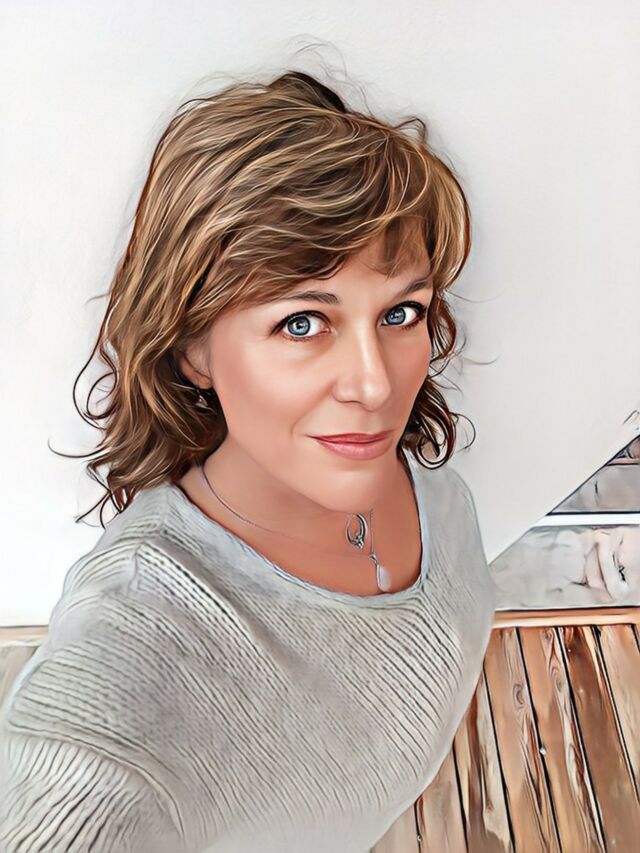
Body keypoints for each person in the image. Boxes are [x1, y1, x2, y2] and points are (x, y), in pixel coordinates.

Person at [0, 69, 497, 852]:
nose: (376, 384)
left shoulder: (433, 490)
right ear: (191, 346)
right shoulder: (136, 645)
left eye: (400, 313)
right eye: (302, 322)